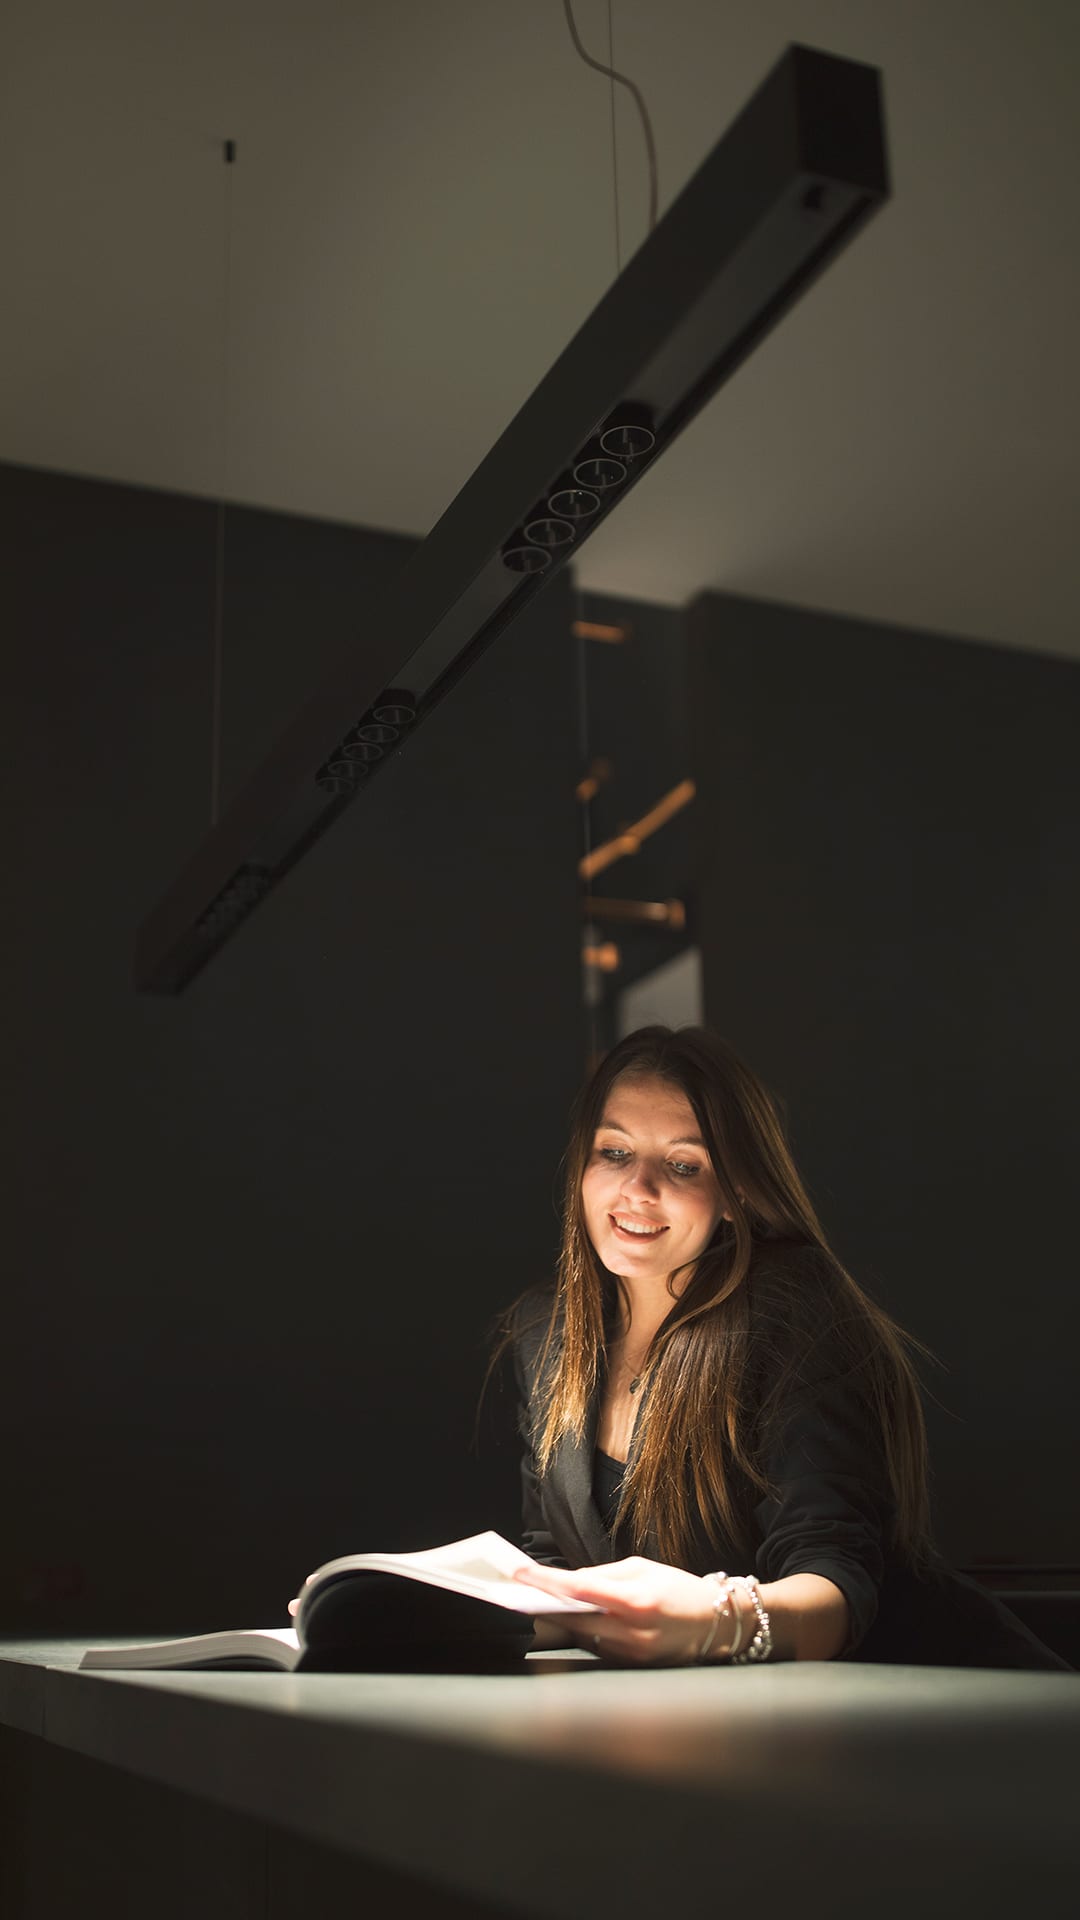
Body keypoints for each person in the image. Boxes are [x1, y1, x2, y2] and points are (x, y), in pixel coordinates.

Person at [504, 1025, 1070, 1669]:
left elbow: (836, 1585)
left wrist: (710, 1620)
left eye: (684, 1165)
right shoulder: (545, 1332)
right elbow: (556, 1562)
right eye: (614, 1152)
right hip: (709, 1717)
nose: (638, 1188)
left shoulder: (793, 1307)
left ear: (736, 1192)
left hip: (941, 1699)